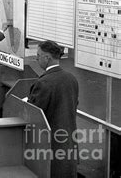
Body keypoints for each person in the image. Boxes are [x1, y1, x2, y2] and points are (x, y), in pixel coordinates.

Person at [28, 40, 79, 178]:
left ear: (47, 58)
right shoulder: (72, 79)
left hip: (50, 146)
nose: (37, 59)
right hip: (69, 144)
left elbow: (34, 113)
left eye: (38, 55)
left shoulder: (43, 83)